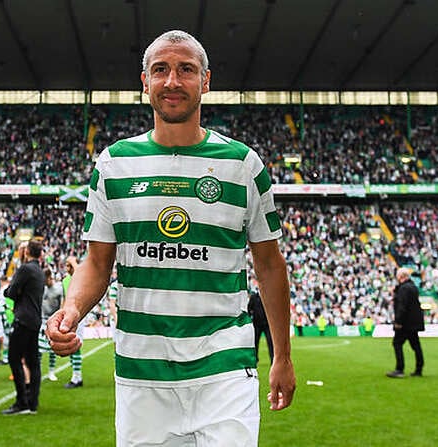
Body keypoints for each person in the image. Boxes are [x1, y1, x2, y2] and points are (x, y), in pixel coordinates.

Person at [46, 30, 295, 446]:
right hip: (141, 375)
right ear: (145, 82)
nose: (173, 81)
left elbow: (269, 265)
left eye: (186, 70)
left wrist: (283, 357)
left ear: (206, 81)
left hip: (225, 369)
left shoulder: (243, 165)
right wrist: (72, 309)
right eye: (160, 70)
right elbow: (97, 262)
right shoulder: (113, 165)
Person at [2, 240, 44, 415]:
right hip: (34, 319)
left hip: (23, 319)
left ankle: (21, 401)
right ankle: (32, 402)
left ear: (26, 252)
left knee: (14, 358)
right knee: (33, 362)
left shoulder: (25, 269)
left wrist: (11, 289)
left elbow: (10, 292)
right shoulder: (39, 271)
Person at [386, 268, 424, 378]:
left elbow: (402, 306)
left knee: (397, 343)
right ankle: (419, 368)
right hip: (414, 322)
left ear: (401, 276)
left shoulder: (403, 289)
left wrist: (398, 321)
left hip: (405, 322)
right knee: (416, 345)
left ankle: (399, 369)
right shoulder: (413, 287)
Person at [62, 256, 84, 388]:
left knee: (75, 344)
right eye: (66, 265)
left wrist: (73, 262)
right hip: (67, 314)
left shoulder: (78, 278)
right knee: (70, 345)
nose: (67, 268)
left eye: (69, 265)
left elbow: (80, 273)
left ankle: (77, 377)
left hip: (79, 314)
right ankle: (75, 375)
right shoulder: (65, 280)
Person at [39, 267, 63, 381]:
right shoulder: (41, 289)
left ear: (50, 278)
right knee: (38, 348)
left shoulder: (58, 289)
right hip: (41, 320)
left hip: (53, 321)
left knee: (52, 348)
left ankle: (51, 371)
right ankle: (37, 372)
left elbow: (61, 306)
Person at [248, 289, 273, 365]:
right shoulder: (254, 297)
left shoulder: (268, 297)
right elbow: (249, 308)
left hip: (267, 324)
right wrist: (251, 318)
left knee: (270, 342)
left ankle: (273, 360)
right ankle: (255, 359)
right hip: (257, 324)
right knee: (255, 342)